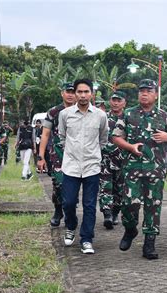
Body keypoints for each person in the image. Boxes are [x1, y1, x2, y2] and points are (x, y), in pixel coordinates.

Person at [112, 79, 167, 260]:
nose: (144, 94)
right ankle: (130, 229)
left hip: (156, 170)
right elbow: (116, 137)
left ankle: (149, 243)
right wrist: (130, 147)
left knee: (153, 206)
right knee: (129, 204)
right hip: (133, 168)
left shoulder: (164, 116)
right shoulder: (128, 114)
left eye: (148, 91)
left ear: (156, 95)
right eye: (141, 91)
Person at [58, 78, 108, 254]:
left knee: (89, 204)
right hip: (71, 165)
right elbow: (62, 137)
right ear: (75, 93)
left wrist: (93, 154)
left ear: (92, 94)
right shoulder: (65, 114)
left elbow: (103, 139)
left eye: (86, 92)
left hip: (91, 166)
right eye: (79, 92)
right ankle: (71, 227)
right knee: (69, 202)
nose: (83, 95)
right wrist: (71, 152)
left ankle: (86, 239)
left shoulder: (101, 116)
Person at [37, 82, 76, 227]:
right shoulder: (53, 112)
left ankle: (70, 212)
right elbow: (45, 134)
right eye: (68, 91)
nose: (70, 94)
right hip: (58, 155)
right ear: (62, 93)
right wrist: (41, 157)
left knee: (73, 187)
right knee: (59, 184)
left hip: (77, 155)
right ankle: (58, 210)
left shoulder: (82, 110)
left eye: (73, 92)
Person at [99, 90, 127, 229]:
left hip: (122, 160)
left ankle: (116, 212)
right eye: (113, 100)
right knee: (105, 187)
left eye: (119, 100)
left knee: (119, 190)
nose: (115, 103)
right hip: (105, 159)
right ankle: (107, 214)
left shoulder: (128, 119)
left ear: (124, 103)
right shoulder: (102, 117)